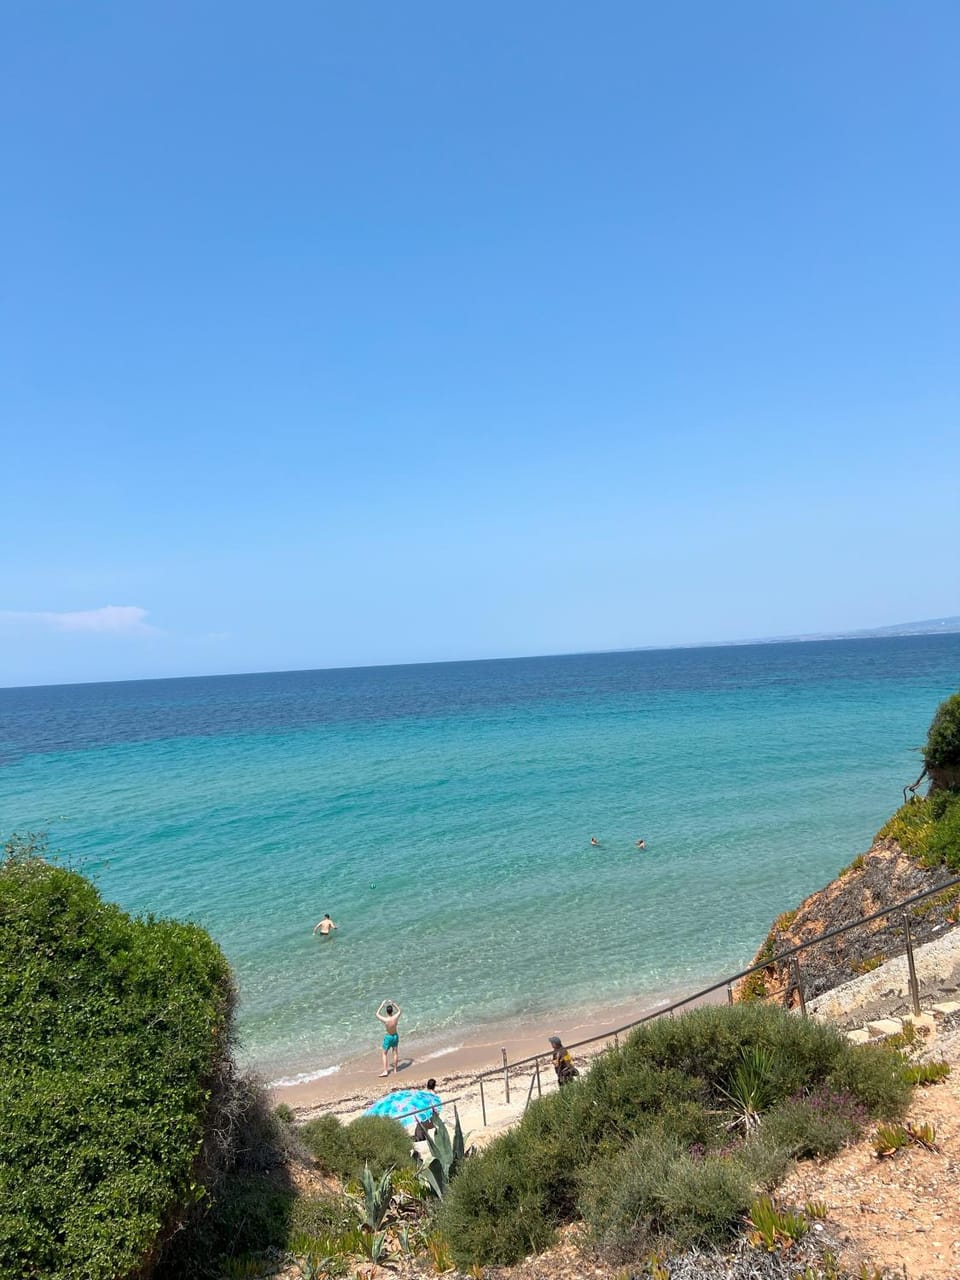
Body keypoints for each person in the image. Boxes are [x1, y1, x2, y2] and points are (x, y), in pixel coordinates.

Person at [376, 999, 403, 1076]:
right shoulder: (395, 1017)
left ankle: (385, 1071)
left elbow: (377, 1014)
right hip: (395, 1036)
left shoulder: (385, 1020)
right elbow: (400, 1011)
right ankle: (395, 1069)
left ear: (387, 1012)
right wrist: (394, 1003)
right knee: (395, 1053)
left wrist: (381, 1005)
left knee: (384, 1053)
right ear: (392, 1011)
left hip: (388, 1037)